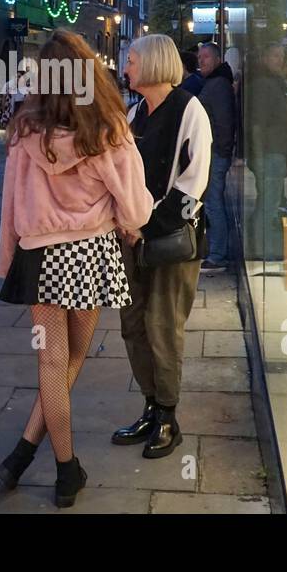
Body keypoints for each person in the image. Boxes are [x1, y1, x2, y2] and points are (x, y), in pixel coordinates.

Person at [0, 30, 153, 508]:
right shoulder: (106, 128)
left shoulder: (25, 128)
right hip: (88, 255)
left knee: (50, 362)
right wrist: (130, 221)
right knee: (75, 359)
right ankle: (58, 467)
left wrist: (8, 259)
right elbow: (135, 208)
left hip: (39, 256)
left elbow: (9, 203)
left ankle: (38, 458)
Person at [114, 33, 211, 460]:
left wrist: (146, 226)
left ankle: (169, 415)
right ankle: (151, 406)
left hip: (171, 242)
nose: (126, 67)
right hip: (132, 240)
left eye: (131, 60)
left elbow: (194, 183)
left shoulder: (190, 110)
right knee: (132, 324)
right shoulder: (135, 113)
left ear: (152, 64)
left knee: (163, 325)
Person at [251, 42, 287, 263]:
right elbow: (257, 125)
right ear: (265, 58)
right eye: (275, 55)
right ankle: (263, 249)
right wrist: (258, 157)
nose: (279, 60)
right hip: (270, 153)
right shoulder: (266, 86)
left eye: (281, 56)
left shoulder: (275, 84)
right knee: (268, 204)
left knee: (269, 201)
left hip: (275, 152)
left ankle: (263, 247)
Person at [197, 42, 237, 271]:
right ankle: (215, 251)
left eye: (206, 57)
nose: (201, 61)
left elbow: (223, 122)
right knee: (212, 202)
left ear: (217, 59)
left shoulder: (218, 84)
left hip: (215, 155)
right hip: (213, 153)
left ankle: (218, 255)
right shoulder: (215, 82)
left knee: (213, 203)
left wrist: (220, 152)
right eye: (199, 57)